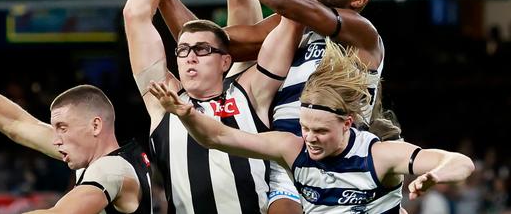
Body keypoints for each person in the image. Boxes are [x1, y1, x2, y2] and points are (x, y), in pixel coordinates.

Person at [147, 0, 386, 214]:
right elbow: (210, 46)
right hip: (284, 158)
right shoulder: (291, 26)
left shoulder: (362, 33)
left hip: (341, 161)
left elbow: (288, 0)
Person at [123, 0, 306, 212]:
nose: (189, 56)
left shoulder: (249, 92)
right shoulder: (163, 101)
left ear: (226, 61)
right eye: (182, 50)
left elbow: (293, 16)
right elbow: (135, 15)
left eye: (202, 50)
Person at [148, 39, 475, 213]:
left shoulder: (381, 156)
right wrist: (186, 113)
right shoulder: (291, 148)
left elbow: (460, 162)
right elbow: (218, 136)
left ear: (347, 123)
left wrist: (435, 175)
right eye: (305, 127)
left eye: (321, 131)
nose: (310, 138)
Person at [0, 33, 151, 214]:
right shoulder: (98, 158)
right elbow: (15, 123)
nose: (56, 139)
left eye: (63, 128)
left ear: (95, 126)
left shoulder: (111, 170)